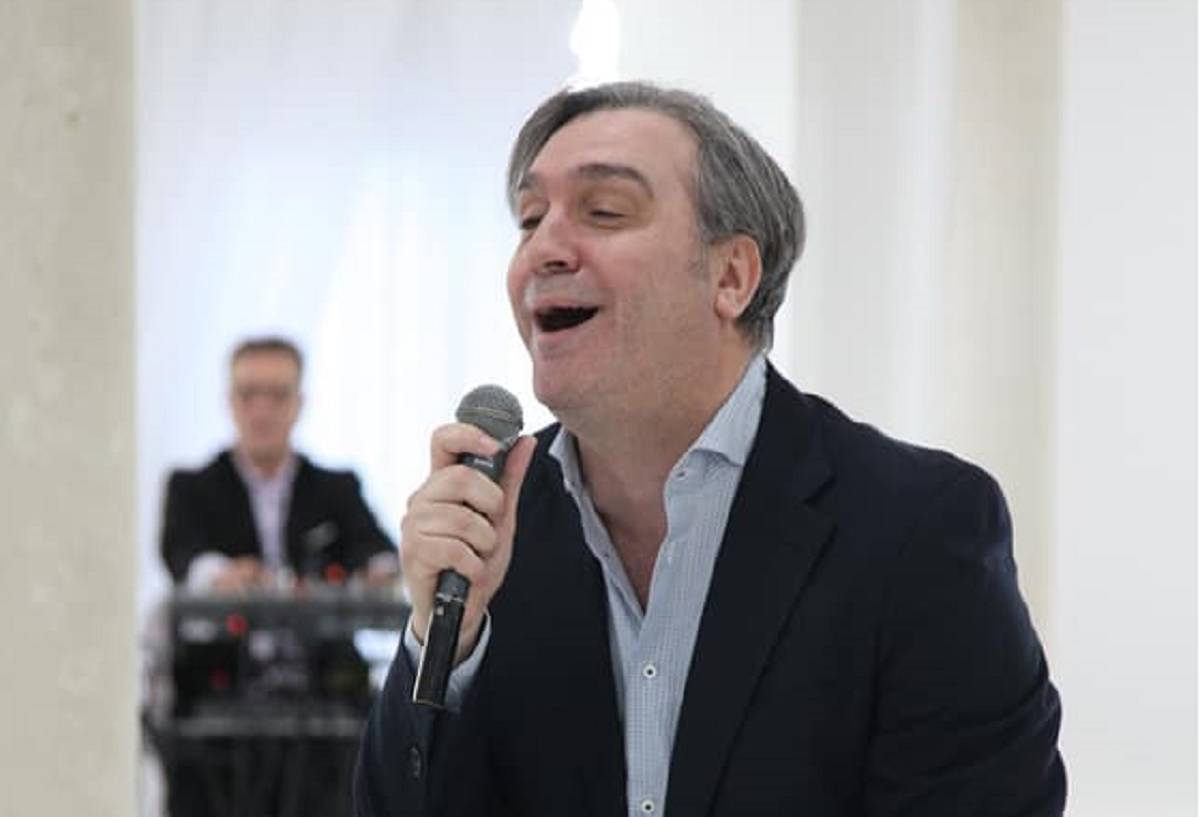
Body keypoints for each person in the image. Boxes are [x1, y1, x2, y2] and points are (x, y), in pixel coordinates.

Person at [355, 82, 1066, 816]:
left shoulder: (920, 528)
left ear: (731, 277)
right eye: (530, 218)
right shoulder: (493, 525)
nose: (543, 250)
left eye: (605, 211)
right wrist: (444, 641)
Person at [161, 336, 398, 590]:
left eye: (278, 395)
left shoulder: (338, 489)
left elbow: (377, 551)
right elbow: (183, 554)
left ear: (299, 403)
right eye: (248, 394)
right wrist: (220, 574)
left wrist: (381, 570)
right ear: (230, 401)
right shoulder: (191, 489)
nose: (262, 411)